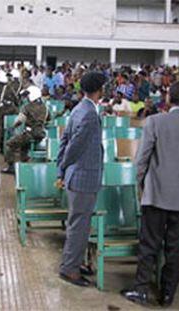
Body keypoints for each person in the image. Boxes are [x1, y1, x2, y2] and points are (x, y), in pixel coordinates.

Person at [121, 81, 179, 307]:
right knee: (176, 248)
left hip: (156, 194)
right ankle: (167, 294)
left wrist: (142, 185)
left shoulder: (155, 121)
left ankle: (142, 289)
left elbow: (142, 159)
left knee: (149, 244)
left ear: (168, 98)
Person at [56, 72, 105, 287]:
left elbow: (64, 140)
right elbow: (74, 147)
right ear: (100, 90)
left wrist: (61, 170)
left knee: (79, 224)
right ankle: (70, 269)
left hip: (77, 175)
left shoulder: (79, 109)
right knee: (79, 225)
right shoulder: (88, 114)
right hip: (82, 176)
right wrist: (64, 166)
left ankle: (73, 262)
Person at [1, 86, 49, 174]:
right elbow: (48, 119)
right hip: (40, 134)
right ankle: (24, 165)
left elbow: (19, 120)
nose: (27, 97)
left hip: (29, 133)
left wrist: (13, 126)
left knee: (9, 144)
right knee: (24, 147)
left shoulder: (27, 107)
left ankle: (11, 167)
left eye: (28, 95)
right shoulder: (44, 107)